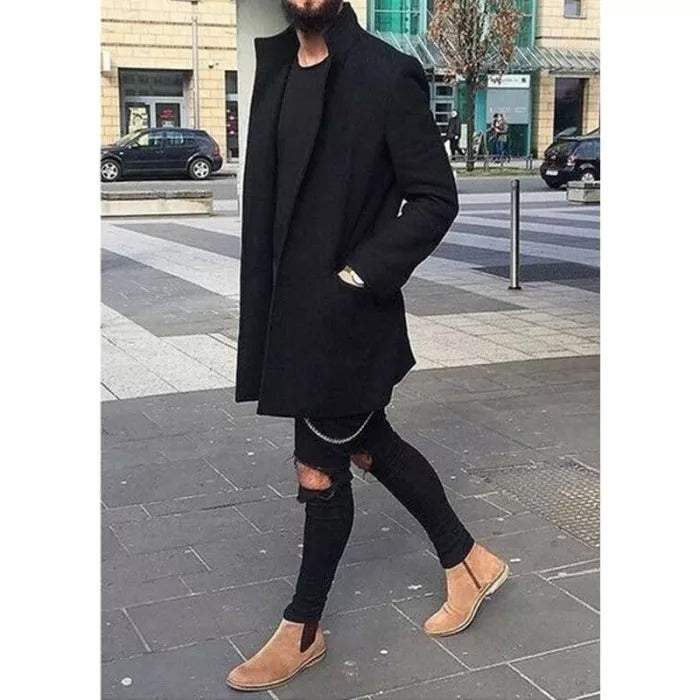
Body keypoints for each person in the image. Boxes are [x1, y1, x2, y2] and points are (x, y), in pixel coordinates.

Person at [227, 1, 509, 692]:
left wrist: (359, 275)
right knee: (366, 442)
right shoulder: (275, 71)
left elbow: (435, 197)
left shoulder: (386, 74)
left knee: (319, 470)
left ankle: (302, 629)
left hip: (346, 318)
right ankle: (469, 561)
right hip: (288, 319)